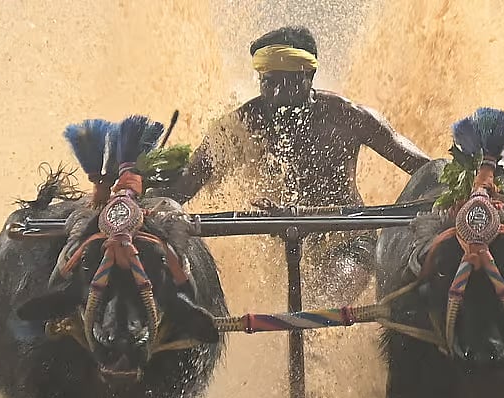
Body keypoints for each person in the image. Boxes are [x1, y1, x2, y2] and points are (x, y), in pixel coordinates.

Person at [170, 26, 430, 305]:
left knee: (321, 305)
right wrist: (143, 191)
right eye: (268, 82)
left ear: (309, 76)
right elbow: (183, 186)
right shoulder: (239, 127)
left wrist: (459, 189)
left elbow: (427, 169)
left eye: (288, 83)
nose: (277, 94)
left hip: (347, 237)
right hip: (281, 250)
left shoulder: (347, 117)